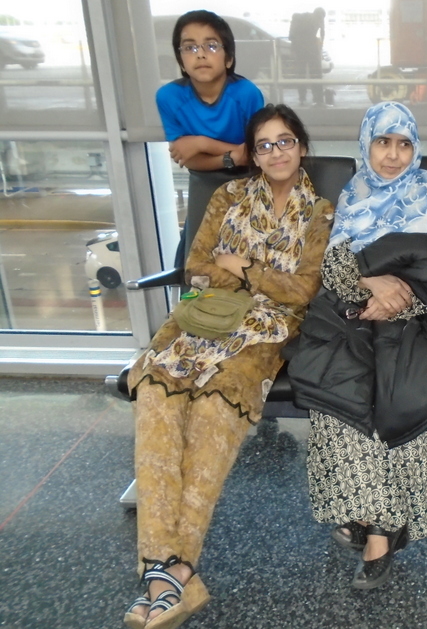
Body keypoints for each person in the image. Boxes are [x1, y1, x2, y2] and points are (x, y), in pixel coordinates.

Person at [123, 104, 333, 629]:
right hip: (200, 322)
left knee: (212, 414)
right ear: (253, 155)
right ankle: (172, 575)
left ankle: (164, 577)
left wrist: (242, 267)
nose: (277, 152)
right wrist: (251, 277)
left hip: (263, 333)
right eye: (265, 144)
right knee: (154, 395)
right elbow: (195, 267)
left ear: (301, 147)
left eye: (285, 141)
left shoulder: (320, 212)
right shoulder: (228, 197)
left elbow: (304, 289)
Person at [288, 101, 427, 589]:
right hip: (357, 314)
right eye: (382, 143)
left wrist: (400, 297)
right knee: (341, 392)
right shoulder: (355, 192)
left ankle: (382, 529)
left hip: (424, 322)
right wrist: (370, 284)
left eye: (404, 144)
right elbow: (336, 265)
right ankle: (366, 510)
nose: (393, 155)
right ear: (366, 145)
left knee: (406, 393)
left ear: (417, 148)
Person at [156, 10, 265, 267]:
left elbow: (256, 154)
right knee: (194, 261)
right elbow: (187, 159)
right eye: (189, 47)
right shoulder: (168, 97)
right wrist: (231, 156)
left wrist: (202, 143)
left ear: (229, 58)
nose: (201, 54)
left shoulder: (246, 94)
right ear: (181, 61)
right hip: (204, 182)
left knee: (248, 259)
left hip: (250, 183)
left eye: (212, 45)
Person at [289, 7, 326, 107]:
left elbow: (291, 36)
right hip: (311, 49)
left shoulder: (299, 18)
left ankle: (302, 98)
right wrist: (320, 46)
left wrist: (293, 48)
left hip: (299, 49)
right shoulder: (317, 17)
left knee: (301, 74)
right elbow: (322, 33)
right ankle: (318, 98)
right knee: (316, 74)